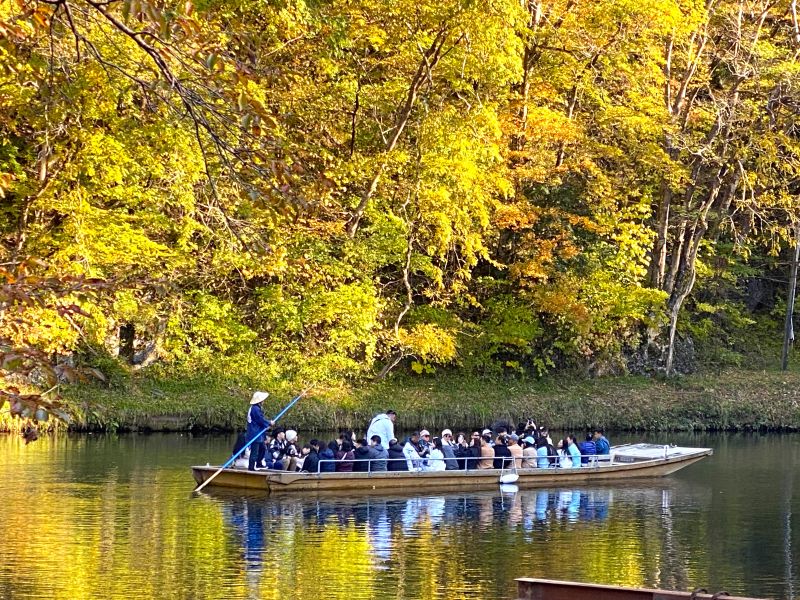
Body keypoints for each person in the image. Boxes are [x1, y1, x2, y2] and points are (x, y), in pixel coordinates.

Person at [246, 391, 272, 471]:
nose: (263, 401)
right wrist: (269, 423)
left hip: (258, 432)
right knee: (254, 452)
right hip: (255, 433)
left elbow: (259, 420)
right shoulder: (255, 409)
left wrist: (266, 425)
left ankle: (259, 463)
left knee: (262, 448)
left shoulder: (257, 408)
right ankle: (251, 467)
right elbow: (260, 419)